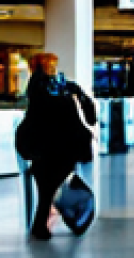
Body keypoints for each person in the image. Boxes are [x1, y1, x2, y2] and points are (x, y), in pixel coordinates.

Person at [17, 54, 96, 240]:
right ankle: (43, 223)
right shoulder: (49, 87)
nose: (53, 67)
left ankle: (41, 224)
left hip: (51, 146)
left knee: (48, 187)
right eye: (49, 64)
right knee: (49, 186)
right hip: (55, 145)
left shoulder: (51, 87)